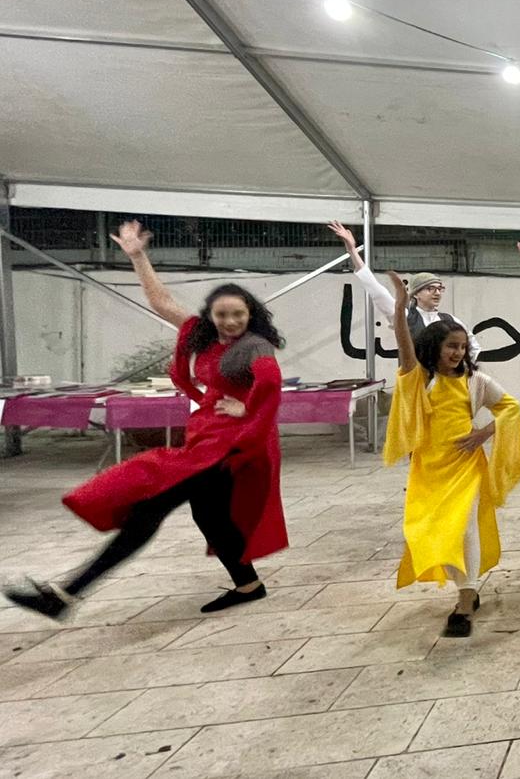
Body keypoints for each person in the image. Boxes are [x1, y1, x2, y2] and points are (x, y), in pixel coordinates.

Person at [4, 222, 287, 619]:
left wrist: (248, 409)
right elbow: (161, 301)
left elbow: (270, 382)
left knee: (148, 509)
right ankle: (249, 585)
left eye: (238, 314)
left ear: (250, 314)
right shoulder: (203, 336)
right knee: (209, 515)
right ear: (210, 316)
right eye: (222, 315)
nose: (230, 322)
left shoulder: (254, 346)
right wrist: (137, 256)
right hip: (207, 439)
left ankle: (66, 594)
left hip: (233, 447)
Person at [382, 272, 520, 637]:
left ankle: (466, 598)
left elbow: (511, 409)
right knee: (431, 531)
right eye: (451, 346)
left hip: (466, 466)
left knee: (465, 528)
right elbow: (404, 345)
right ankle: (466, 586)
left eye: (463, 347)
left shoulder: (476, 381)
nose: (458, 353)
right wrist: (400, 307)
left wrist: (483, 433)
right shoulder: (420, 378)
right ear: (434, 346)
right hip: (428, 468)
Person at [328, 221, 480, 361]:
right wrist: (352, 251)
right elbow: (377, 292)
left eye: (440, 289)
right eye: (430, 288)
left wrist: (464, 372)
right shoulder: (405, 317)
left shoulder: (451, 320)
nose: (437, 293)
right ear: (416, 294)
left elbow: (473, 347)